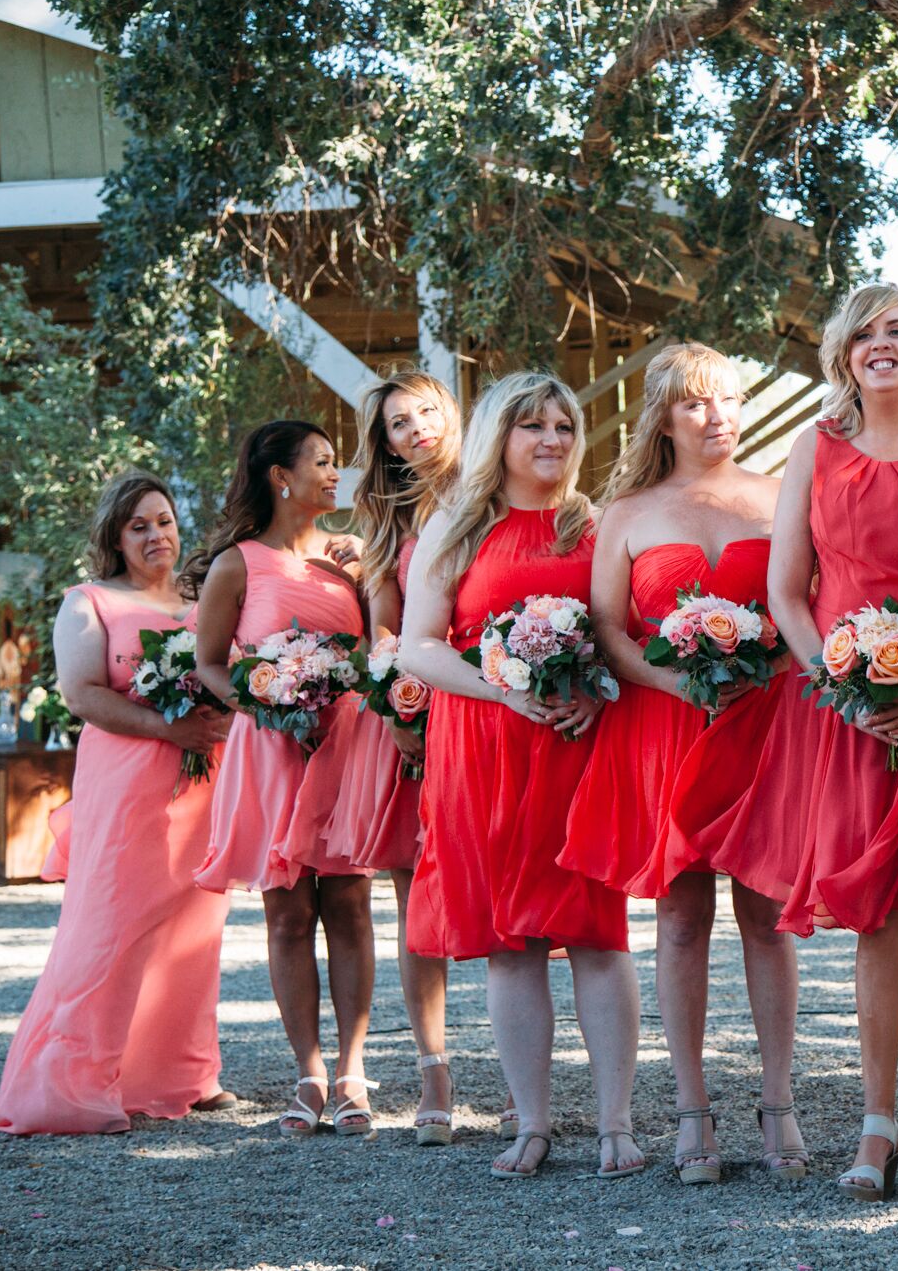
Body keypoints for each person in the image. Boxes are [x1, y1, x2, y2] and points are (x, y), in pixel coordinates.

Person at [685, 284, 898, 1201]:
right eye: (864, 335)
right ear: (843, 355)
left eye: (896, 329)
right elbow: (787, 589)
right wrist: (845, 683)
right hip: (849, 711)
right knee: (872, 916)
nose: (881, 346)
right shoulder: (815, 448)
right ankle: (877, 1124)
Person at [558, 342, 808, 1184]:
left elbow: (803, 608)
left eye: (730, 400)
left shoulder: (780, 498)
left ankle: (778, 1101)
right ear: (664, 415)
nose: (719, 417)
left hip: (761, 725)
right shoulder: (626, 511)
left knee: (767, 917)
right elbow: (607, 628)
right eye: (699, 403)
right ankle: (693, 1108)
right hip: (665, 727)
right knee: (679, 918)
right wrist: (674, 680)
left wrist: (762, 671)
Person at [398, 371, 641, 1180]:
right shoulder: (456, 527)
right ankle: (531, 1122)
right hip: (486, 746)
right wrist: (504, 686)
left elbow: (618, 632)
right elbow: (418, 646)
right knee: (514, 944)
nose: (551, 440)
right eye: (532, 425)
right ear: (498, 435)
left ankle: (616, 1122)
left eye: (564, 426)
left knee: (597, 935)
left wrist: (592, 693)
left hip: (576, 746)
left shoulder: (594, 525)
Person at [0, 472, 233, 1133]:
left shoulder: (200, 596)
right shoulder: (89, 600)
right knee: (110, 928)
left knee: (194, 926)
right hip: (125, 783)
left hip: (198, 784)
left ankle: (183, 1073)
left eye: (164, 520)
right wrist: (167, 727)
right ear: (116, 537)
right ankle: (70, 1085)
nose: (157, 535)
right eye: (139, 526)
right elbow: (82, 694)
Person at [189, 421, 379, 1139]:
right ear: (281, 476)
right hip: (271, 753)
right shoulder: (236, 565)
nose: (337, 474)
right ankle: (308, 1072)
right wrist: (264, 699)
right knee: (288, 912)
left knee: (352, 904)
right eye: (324, 463)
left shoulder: (347, 564)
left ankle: (354, 1069)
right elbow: (211, 661)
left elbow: (371, 650)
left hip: (345, 746)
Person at [329, 367, 467, 1144]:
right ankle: (433, 1071)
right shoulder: (389, 525)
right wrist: (401, 712)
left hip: (496, 706)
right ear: (383, 444)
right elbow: (386, 636)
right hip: (419, 720)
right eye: (397, 424)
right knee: (417, 897)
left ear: (448, 414)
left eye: (424, 413)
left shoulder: (490, 490)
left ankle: (528, 1081)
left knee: (507, 889)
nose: (415, 429)